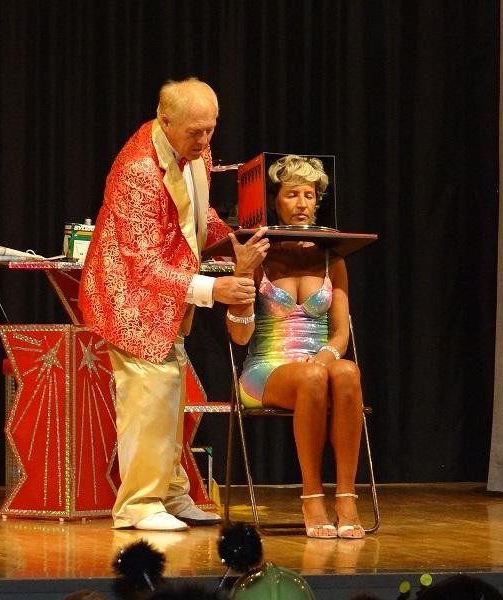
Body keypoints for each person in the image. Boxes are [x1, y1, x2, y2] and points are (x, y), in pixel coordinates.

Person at [79, 78, 269, 531]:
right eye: (194, 132)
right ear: (165, 121)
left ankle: (170, 494)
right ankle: (139, 505)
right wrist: (214, 290)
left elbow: (199, 215)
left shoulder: (196, 150)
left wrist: (235, 242)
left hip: (170, 294)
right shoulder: (137, 171)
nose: (204, 141)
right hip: (128, 297)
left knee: (169, 395)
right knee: (149, 395)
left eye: (210, 129)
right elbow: (143, 267)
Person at [226, 154, 365, 539]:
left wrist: (322, 356)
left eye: (309, 194)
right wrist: (242, 273)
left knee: (348, 371)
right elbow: (239, 336)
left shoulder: (331, 259)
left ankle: (347, 496)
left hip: (319, 362)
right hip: (266, 370)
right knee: (313, 378)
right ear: (275, 201)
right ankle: (311, 496)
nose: (302, 203)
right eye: (292, 194)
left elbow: (340, 334)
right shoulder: (260, 258)